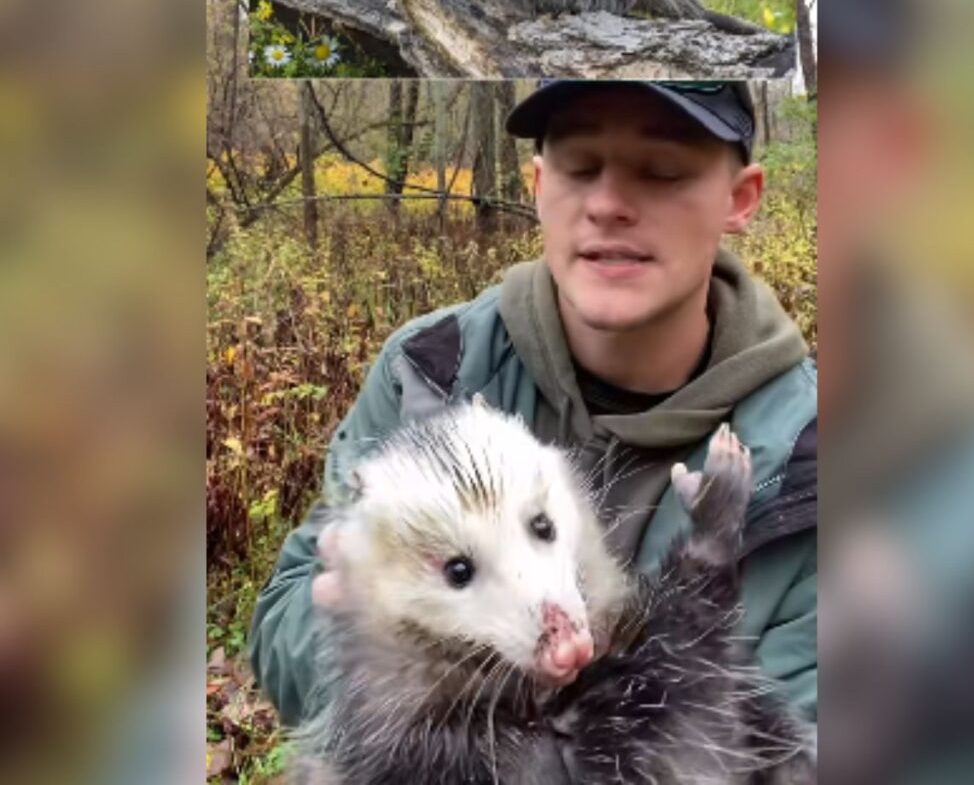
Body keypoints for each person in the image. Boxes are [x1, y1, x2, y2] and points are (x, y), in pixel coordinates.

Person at [249, 80, 818, 728]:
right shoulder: (431, 370)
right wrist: (392, 653)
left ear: (738, 200)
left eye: (662, 172)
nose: (608, 204)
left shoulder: (817, 457)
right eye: (580, 169)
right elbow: (286, 625)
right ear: (539, 187)